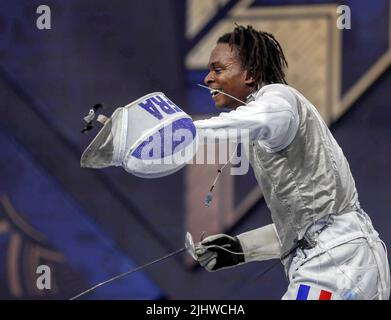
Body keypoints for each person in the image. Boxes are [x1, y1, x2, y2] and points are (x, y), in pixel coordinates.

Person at [192, 25, 390, 300]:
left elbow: (320, 230)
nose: (208, 78)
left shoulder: (278, 99)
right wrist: (240, 248)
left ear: (249, 74)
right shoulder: (263, 126)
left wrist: (169, 133)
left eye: (218, 69)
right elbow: (308, 226)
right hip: (349, 261)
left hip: (334, 266)